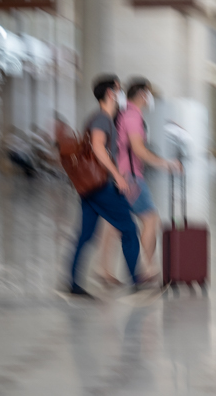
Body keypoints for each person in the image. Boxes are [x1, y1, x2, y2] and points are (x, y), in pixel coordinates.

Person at [97, 77, 180, 285]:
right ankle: (147, 267)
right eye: (149, 93)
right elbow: (139, 150)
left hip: (119, 174)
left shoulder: (123, 114)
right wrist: (166, 163)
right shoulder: (133, 116)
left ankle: (103, 270)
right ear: (143, 94)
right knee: (151, 219)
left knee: (115, 225)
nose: (150, 98)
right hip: (131, 177)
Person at [68, 75, 141, 298]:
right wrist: (118, 176)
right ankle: (137, 282)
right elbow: (99, 148)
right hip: (100, 186)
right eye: (118, 90)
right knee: (129, 229)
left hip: (89, 186)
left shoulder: (98, 118)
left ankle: (72, 283)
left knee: (86, 234)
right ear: (110, 93)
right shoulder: (102, 119)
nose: (121, 95)